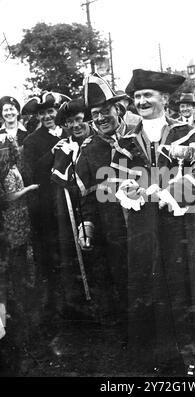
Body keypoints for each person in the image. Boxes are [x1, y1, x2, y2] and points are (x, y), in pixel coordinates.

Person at [111, 68, 195, 376]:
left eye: (148, 95)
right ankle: (155, 351)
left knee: (184, 281)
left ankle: (192, 351)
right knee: (150, 281)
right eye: (137, 97)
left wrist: (174, 192)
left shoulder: (187, 134)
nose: (142, 101)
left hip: (181, 222)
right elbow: (115, 178)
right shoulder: (125, 140)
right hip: (144, 225)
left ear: (165, 98)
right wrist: (128, 189)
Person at [76, 73, 128, 339]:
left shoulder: (137, 139)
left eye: (105, 111)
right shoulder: (88, 150)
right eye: (95, 114)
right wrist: (87, 225)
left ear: (118, 109)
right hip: (112, 229)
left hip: (145, 225)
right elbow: (86, 198)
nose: (100, 118)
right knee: (118, 276)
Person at [22, 91, 71, 327]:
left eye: (51, 111)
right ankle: (54, 306)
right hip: (46, 203)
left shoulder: (71, 132)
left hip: (70, 199)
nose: (48, 116)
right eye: (42, 113)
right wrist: (52, 153)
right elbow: (29, 173)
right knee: (50, 254)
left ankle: (77, 299)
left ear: (57, 111)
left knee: (71, 248)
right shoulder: (32, 141)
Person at [50, 98, 95, 319]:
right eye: (70, 122)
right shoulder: (63, 146)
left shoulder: (99, 140)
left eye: (79, 119)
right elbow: (64, 181)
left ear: (86, 118)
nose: (76, 126)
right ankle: (85, 301)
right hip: (79, 204)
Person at [0, 135, 39, 374]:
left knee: (22, 252)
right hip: (13, 217)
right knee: (14, 254)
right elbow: (7, 197)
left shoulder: (13, 166)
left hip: (21, 216)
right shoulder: (4, 171)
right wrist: (29, 189)